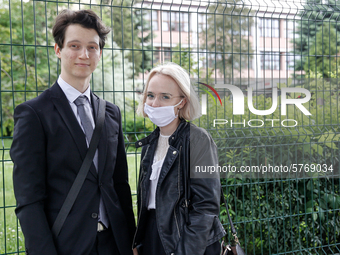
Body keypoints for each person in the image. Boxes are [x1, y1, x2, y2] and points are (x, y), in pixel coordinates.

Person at [10, 9, 136, 255]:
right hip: (66, 246)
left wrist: (131, 242)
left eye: (92, 47)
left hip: (115, 244)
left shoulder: (111, 114)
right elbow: (29, 201)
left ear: (99, 53)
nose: (84, 54)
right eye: (74, 45)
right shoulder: (34, 114)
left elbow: (119, 184)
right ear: (58, 50)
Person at [133, 63, 226, 255]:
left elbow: (206, 206)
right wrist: (139, 241)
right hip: (153, 237)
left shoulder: (198, 139)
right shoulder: (149, 144)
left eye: (165, 97)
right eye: (150, 95)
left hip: (187, 240)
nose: (154, 103)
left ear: (182, 101)